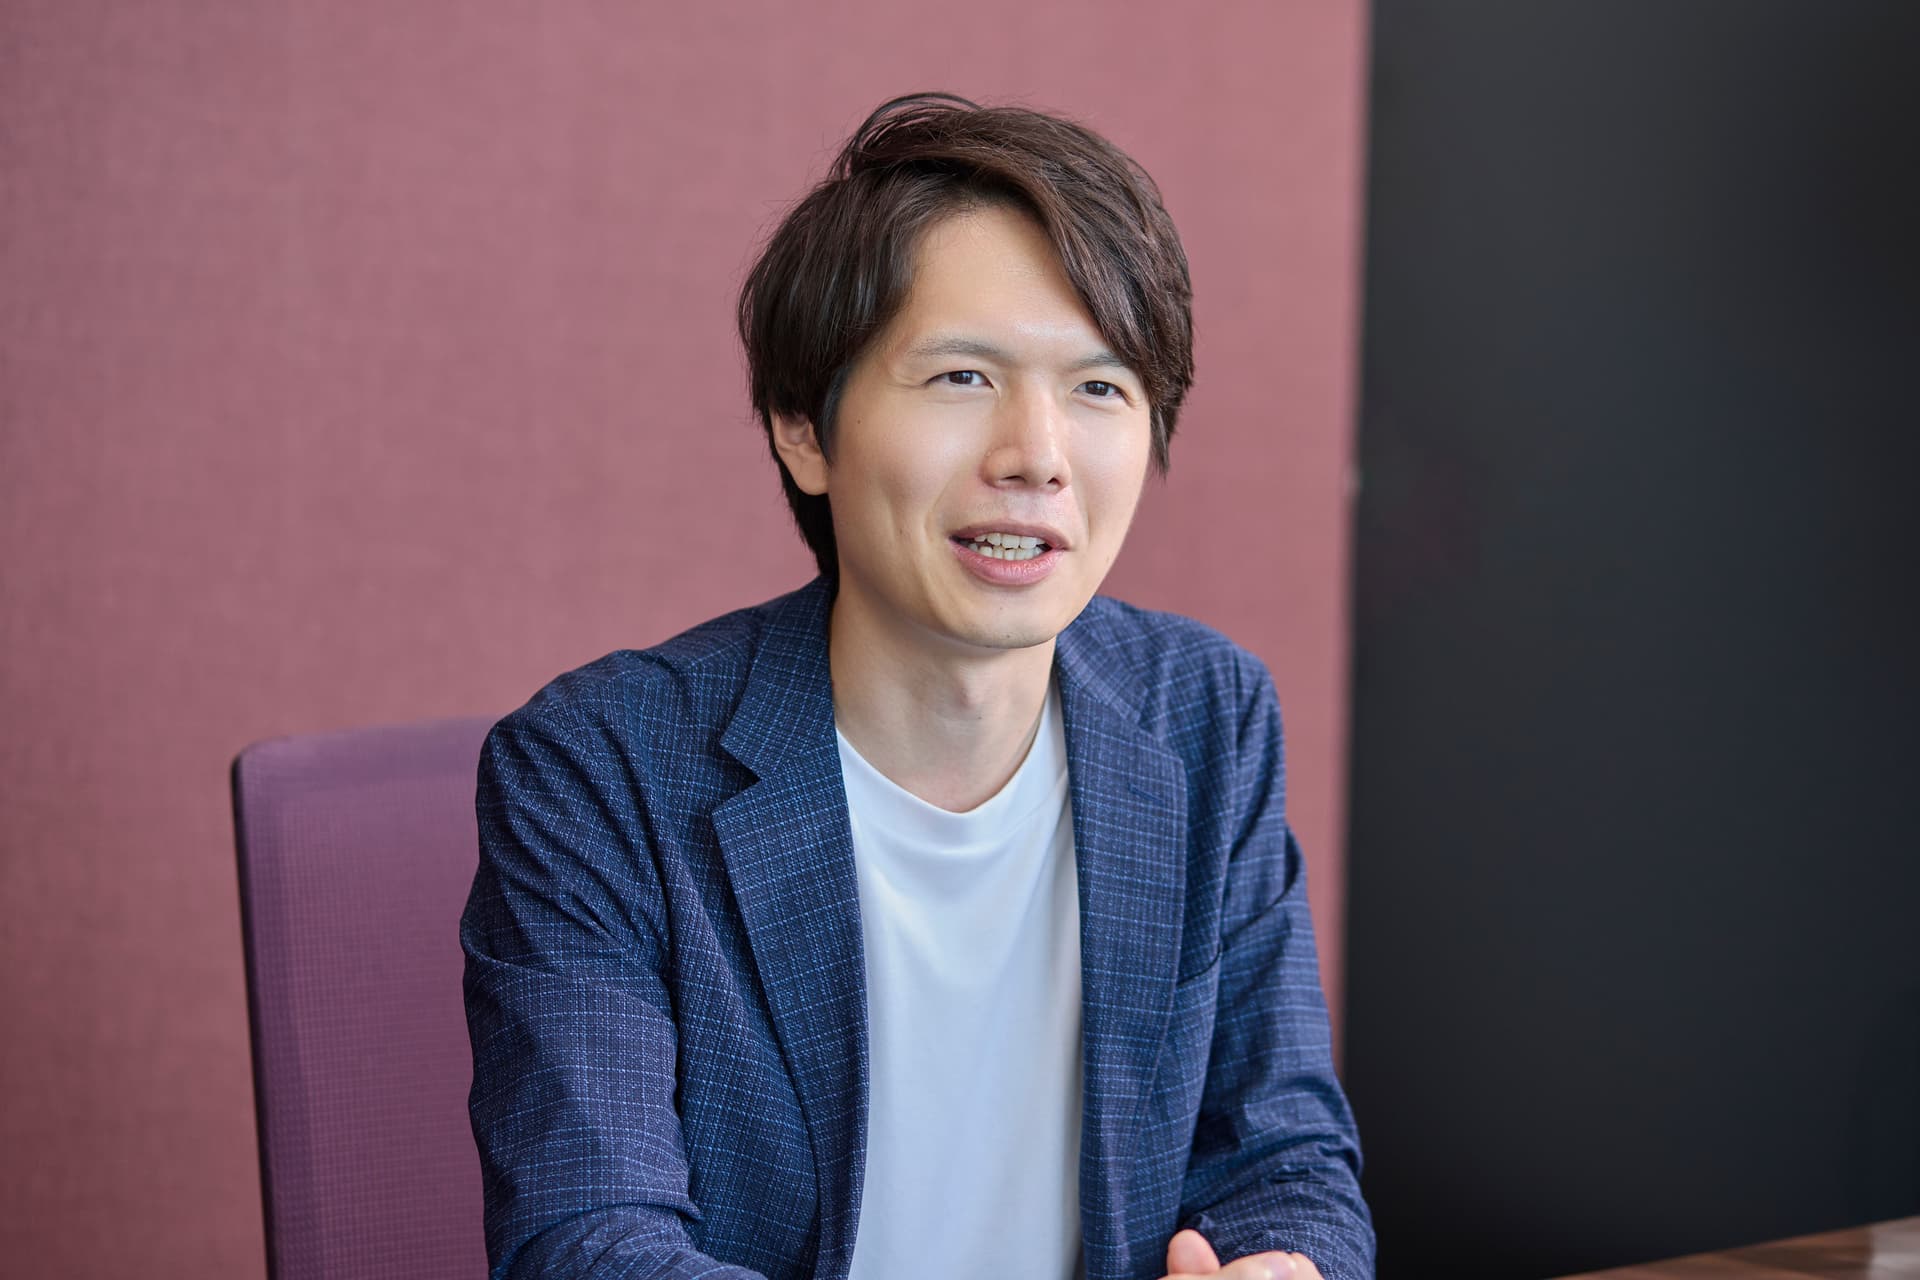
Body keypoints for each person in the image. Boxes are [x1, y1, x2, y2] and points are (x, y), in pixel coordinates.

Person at [460, 92, 1373, 1280]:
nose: (1036, 453)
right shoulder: (600, 768)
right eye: (960, 376)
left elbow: (1283, 1161)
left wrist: (1283, 1265)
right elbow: (590, 1241)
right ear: (804, 427)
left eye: (1100, 389)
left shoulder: (1206, 718)